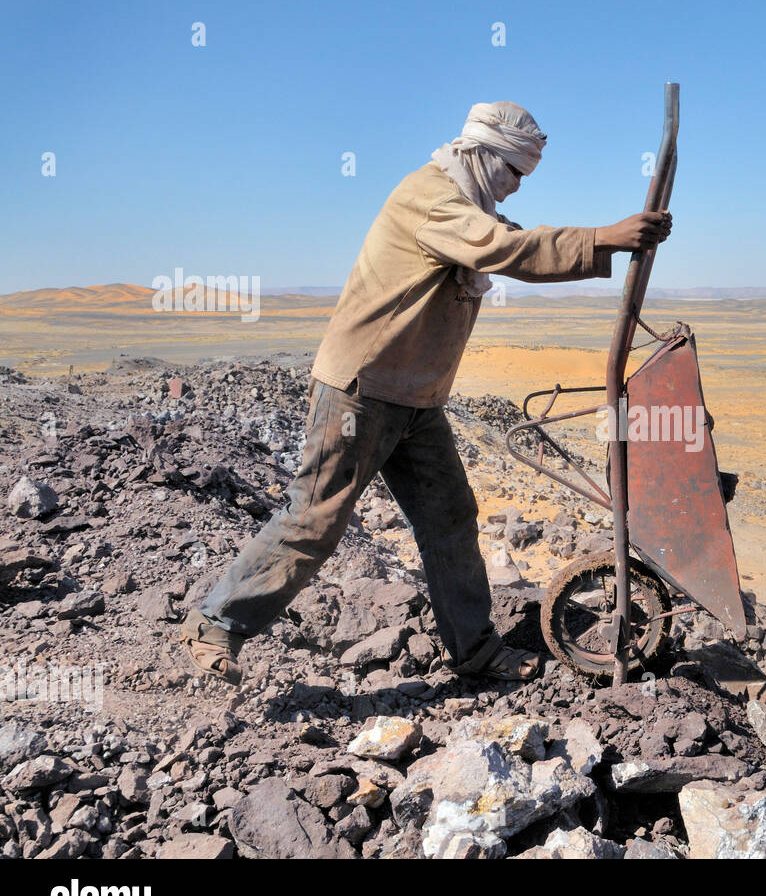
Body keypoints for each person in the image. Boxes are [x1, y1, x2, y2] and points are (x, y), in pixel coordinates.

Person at [178, 101, 672, 686]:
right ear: (486, 155)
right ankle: (215, 625)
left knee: (449, 517)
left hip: (417, 398)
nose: (514, 189)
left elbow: (512, 240)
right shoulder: (431, 197)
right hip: (363, 391)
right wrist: (607, 237)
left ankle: (474, 651)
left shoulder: (466, 206)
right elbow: (505, 250)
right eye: (513, 173)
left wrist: (608, 243)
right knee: (316, 517)